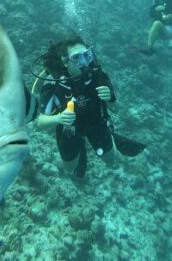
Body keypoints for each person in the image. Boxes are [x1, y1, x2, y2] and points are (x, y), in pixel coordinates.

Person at [34, 35, 145, 178]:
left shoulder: (98, 77)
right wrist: (59, 118)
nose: (84, 62)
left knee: (111, 161)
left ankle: (111, 137)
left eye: (87, 55)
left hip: (97, 124)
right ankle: (81, 148)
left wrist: (111, 99)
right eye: (76, 58)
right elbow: (41, 123)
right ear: (65, 61)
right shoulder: (53, 82)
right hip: (69, 129)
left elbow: (116, 109)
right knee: (69, 169)